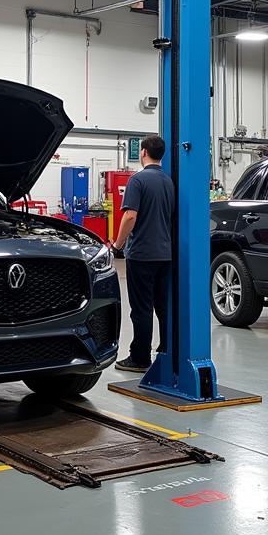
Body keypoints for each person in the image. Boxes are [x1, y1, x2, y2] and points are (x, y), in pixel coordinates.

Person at [112, 134, 174, 372]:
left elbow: (130, 216)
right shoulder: (169, 181)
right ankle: (166, 349)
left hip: (141, 255)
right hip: (165, 255)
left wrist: (117, 245)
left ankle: (139, 357)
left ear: (144, 152)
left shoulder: (137, 181)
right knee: (163, 306)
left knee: (141, 308)